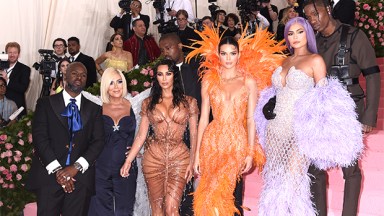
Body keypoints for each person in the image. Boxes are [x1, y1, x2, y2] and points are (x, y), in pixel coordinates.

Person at [255, 16, 363, 216]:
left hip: (299, 130)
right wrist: (268, 102)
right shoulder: (284, 60)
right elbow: (275, 92)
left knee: (293, 182)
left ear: (308, 34)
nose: (294, 37)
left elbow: (324, 97)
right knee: (274, 181)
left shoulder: (315, 60)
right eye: (290, 33)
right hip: (275, 129)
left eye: (299, 32)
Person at [304, 1, 381, 215]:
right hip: (320, 112)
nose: (312, 20)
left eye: (315, 14)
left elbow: (373, 75)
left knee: (350, 169)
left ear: (327, 10)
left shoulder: (355, 36)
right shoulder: (314, 42)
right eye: (308, 17)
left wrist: (369, 115)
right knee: (315, 168)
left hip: (350, 110)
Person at [190, 36, 265, 215]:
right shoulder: (209, 79)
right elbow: (203, 118)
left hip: (236, 142)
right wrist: (197, 153)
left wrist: (249, 152)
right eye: (224, 54)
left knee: (222, 191)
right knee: (208, 193)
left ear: (239, 55)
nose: (228, 58)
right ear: (218, 54)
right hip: (212, 140)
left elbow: (250, 119)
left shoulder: (249, 81)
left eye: (232, 53)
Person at [120, 59, 198, 215]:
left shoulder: (189, 102)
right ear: (155, 77)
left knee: (172, 207)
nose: (164, 78)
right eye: (160, 74)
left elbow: (194, 134)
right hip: (153, 158)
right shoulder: (148, 103)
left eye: (168, 74)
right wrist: (128, 161)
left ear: (174, 76)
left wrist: (192, 161)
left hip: (180, 158)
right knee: (156, 209)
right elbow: (141, 135)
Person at [26, 62, 105, 215]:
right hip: (49, 177)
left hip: (80, 179)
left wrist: (76, 167)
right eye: (75, 73)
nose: (79, 78)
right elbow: (40, 138)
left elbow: (98, 141)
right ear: (65, 75)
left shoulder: (94, 108)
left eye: (83, 75)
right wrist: (58, 170)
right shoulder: (45, 104)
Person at [159, 33, 201, 215]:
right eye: (162, 49)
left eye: (169, 47)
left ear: (180, 46)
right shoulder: (163, 75)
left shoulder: (197, 67)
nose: (165, 52)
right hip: (174, 137)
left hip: (198, 131)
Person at [88, 68, 137, 215]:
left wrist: (138, 150)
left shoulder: (134, 105)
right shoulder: (97, 107)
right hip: (100, 166)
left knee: (124, 209)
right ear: (105, 87)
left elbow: (145, 132)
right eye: (111, 83)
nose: (116, 87)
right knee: (100, 209)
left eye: (119, 81)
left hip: (126, 167)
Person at [0, 42, 30, 117]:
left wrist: (7, 79)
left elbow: (23, 88)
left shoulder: (25, 69)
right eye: (10, 52)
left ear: (19, 54)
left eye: (15, 52)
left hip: (16, 107)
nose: (12, 55)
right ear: (6, 53)